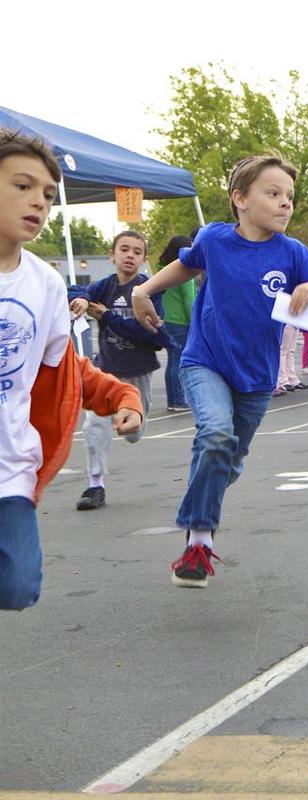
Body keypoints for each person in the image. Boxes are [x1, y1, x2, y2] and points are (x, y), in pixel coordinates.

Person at [132, 152, 308, 588]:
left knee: (229, 459)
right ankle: (199, 541)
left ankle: (205, 496)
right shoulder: (214, 239)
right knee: (215, 436)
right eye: (273, 193)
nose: (285, 203)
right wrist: (143, 291)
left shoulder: (294, 253)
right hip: (205, 361)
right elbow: (185, 265)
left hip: (257, 378)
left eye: (290, 196)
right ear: (240, 198)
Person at [0, 129, 143, 609]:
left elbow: (67, 369)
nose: (38, 202)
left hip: (9, 466)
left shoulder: (44, 284)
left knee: (18, 587)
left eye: (46, 194)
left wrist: (122, 397)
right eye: (22, 186)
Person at [67, 231, 171, 511]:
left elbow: (146, 332)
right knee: (94, 426)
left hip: (138, 370)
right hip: (107, 369)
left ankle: (129, 419)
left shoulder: (147, 291)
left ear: (144, 259)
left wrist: (107, 316)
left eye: (137, 252)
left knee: (134, 434)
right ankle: (95, 484)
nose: (130, 256)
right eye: (124, 249)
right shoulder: (106, 287)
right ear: (111, 255)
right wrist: (80, 299)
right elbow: (75, 290)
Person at [154, 235, 196, 411]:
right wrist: (195, 321)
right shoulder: (185, 270)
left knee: (172, 359)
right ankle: (178, 400)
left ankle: (173, 399)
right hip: (181, 320)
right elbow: (189, 299)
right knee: (179, 361)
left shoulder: (162, 269)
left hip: (167, 319)